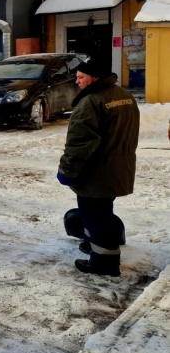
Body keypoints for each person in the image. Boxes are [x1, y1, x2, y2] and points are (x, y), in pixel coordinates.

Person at [57, 55, 139, 277]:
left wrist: (67, 171)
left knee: (95, 215)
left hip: (97, 173)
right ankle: (96, 243)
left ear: (95, 78)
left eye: (81, 77)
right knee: (103, 211)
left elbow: (80, 144)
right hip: (119, 168)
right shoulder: (124, 96)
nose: (77, 81)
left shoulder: (91, 103)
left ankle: (104, 263)